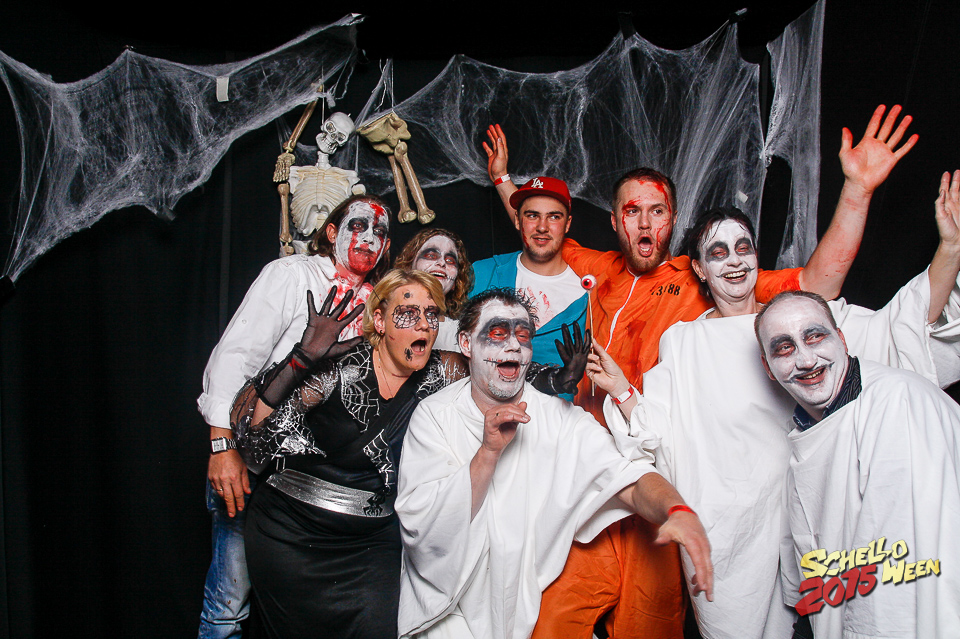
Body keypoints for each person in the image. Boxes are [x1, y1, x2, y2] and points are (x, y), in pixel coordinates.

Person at [483, 106, 919, 637]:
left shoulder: (704, 280)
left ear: (673, 220)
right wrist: (503, 180)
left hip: (659, 485)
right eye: (632, 211)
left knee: (647, 629)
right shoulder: (598, 267)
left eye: (658, 211)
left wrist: (857, 191)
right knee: (549, 622)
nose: (646, 223)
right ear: (616, 221)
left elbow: (816, 285)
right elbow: (540, 231)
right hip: (590, 479)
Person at [588, 172, 960, 638]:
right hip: (730, 527)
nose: (734, 262)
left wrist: (950, 249)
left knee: (834, 622)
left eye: (743, 248)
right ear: (699, 268)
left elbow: (898, 326)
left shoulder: (794, 322)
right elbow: (656, 429)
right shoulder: (684, 341)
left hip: (814, 507)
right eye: (718, 253)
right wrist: (622, 389)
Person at [395, 289, 713, 639]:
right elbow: (423, 528)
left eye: (523, 335)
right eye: (498, 333)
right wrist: (488, 453)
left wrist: (676, 509)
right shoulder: (435, 416)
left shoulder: (559, 420)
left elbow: (631, 481)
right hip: (444, 611)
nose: (513, 345)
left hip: (521, 614)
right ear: (466, 344)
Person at [197, 194, 391, 638]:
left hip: (314, 482)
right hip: (253, 463)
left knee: (298, 612)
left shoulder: (377, 301)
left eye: (379, 232)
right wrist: (222, 446)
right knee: (229, 603)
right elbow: (235, 356)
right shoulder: (292, 275)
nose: (369, 237)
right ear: (331, 232)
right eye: (358, 225)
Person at [755, 289, 960, 639]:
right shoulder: (804, 429)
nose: (806, 360)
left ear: (842, 339)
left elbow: (895, 578)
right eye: (784, 348)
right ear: (768, 368)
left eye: (815, 336)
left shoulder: (897, 405)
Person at [468, 172, 587, 399]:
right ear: (517, 220)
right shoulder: (483, 273)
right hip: (482, 413)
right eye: (532, 215)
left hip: (558, 418)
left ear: (567, 224)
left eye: (554, 217)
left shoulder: (588, 294)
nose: (542, 227)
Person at [394, 228, 474, 352]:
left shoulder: (463, 336)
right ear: (409, 267)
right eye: (431, 255)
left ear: (455, 283)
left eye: (450, 260)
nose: (442, 263)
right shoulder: (389, 322)